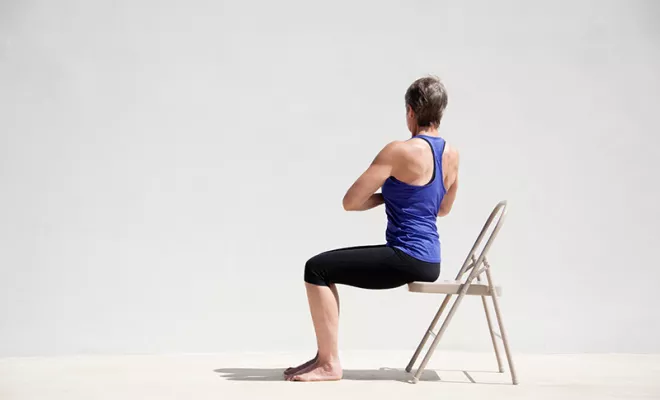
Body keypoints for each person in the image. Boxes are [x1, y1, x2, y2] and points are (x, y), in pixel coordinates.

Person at [284, 76, 460, 382]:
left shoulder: (398, 151)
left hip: (404, 257)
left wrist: (388, 196)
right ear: (441, 111)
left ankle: (329, 363)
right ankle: (322, 358)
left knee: (317, 269)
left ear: (410, 111)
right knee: (322, 268)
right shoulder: (451, 154)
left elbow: (351, 202)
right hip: (430, 260)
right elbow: (443, 209)